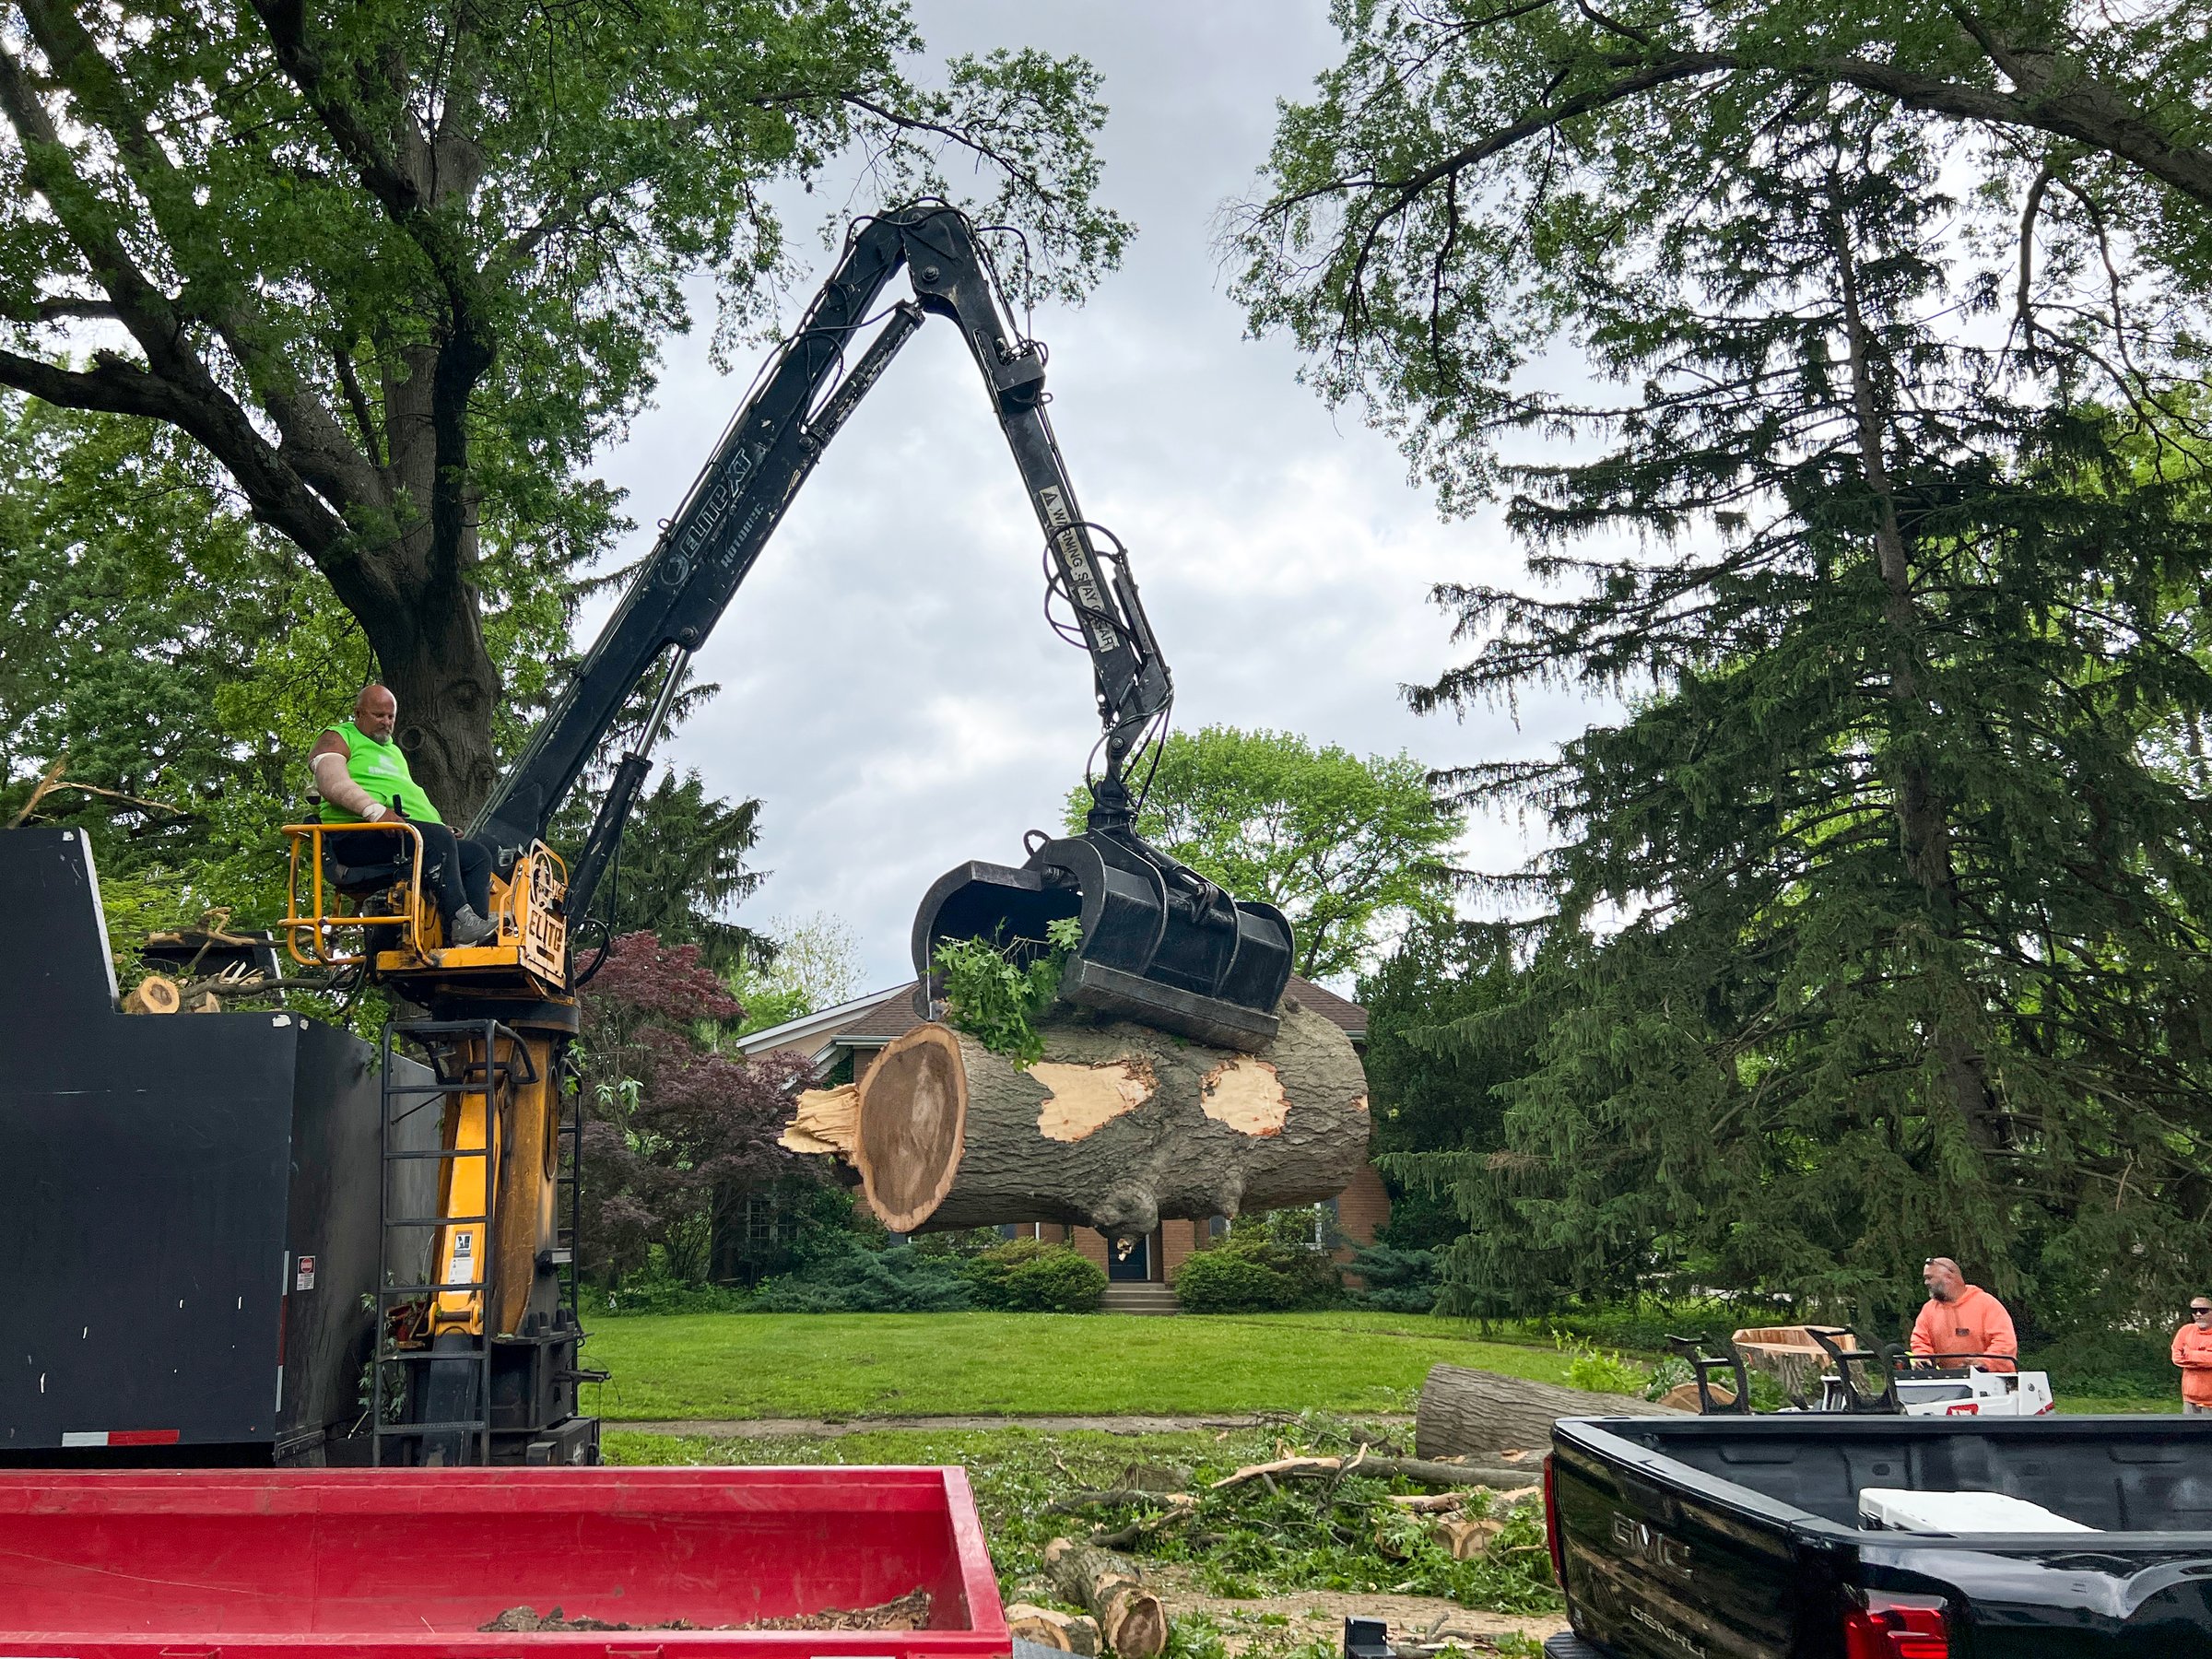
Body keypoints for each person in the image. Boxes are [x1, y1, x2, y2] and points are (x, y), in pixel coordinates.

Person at [310, 684, 498, 947]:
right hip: (357, 836)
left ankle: (470, 940)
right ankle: (461, 921)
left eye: (391, 717)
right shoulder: (339, 737)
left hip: (402, 835)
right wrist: (375, 812)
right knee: (435, 839)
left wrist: (439, 826)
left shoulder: (394, 751)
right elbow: (331, 782)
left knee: (476, 855)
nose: (386, 722)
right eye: (379, 715)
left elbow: (406, 795)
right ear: (358, 713)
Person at [1909, 1257, 2018, 1373]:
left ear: (1948, 1277)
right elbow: (1920, 1340)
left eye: (1929, 1278)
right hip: (1949, 1380)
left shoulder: (1986, 1304)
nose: (1926, 1283)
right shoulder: (1929, 1309)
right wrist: (1923, 1358)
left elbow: (2004, 1342)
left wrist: (1984, 1362)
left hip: (1992, 1378)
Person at [2174, 1297, 2212, 1415]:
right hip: (2190, 1400)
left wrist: (2190, 1354)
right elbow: (2176, 1358)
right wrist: (2205, 1357)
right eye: (2194, 1311)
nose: (2198, 1314)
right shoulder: (2185, 1331)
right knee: (2188, 1427)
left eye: (2203, 1310)